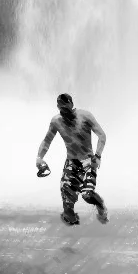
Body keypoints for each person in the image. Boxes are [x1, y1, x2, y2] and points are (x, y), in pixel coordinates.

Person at [36, 93, 108, 226]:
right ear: (58, 107)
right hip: (71, 162)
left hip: (88, 160)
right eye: (61, 109)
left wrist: (98, 155)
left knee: (87, 194)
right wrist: (39, 158)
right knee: (66, 195)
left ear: (72, 105)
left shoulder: (85, 116)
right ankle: (71, 222)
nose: (64, 112)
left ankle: (101, 205)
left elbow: (102, 135)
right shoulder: (56, 121)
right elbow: (47, 141)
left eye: (66, 108)